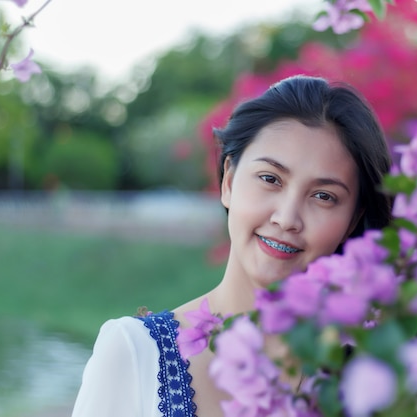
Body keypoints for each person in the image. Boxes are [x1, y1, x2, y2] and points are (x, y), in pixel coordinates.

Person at [71, 75, 392, 417]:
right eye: (270, 179)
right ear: (228, 180)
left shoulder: (379, 372)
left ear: (353, 219)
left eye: (324, 197)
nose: (287, 218)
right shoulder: (134, 354)